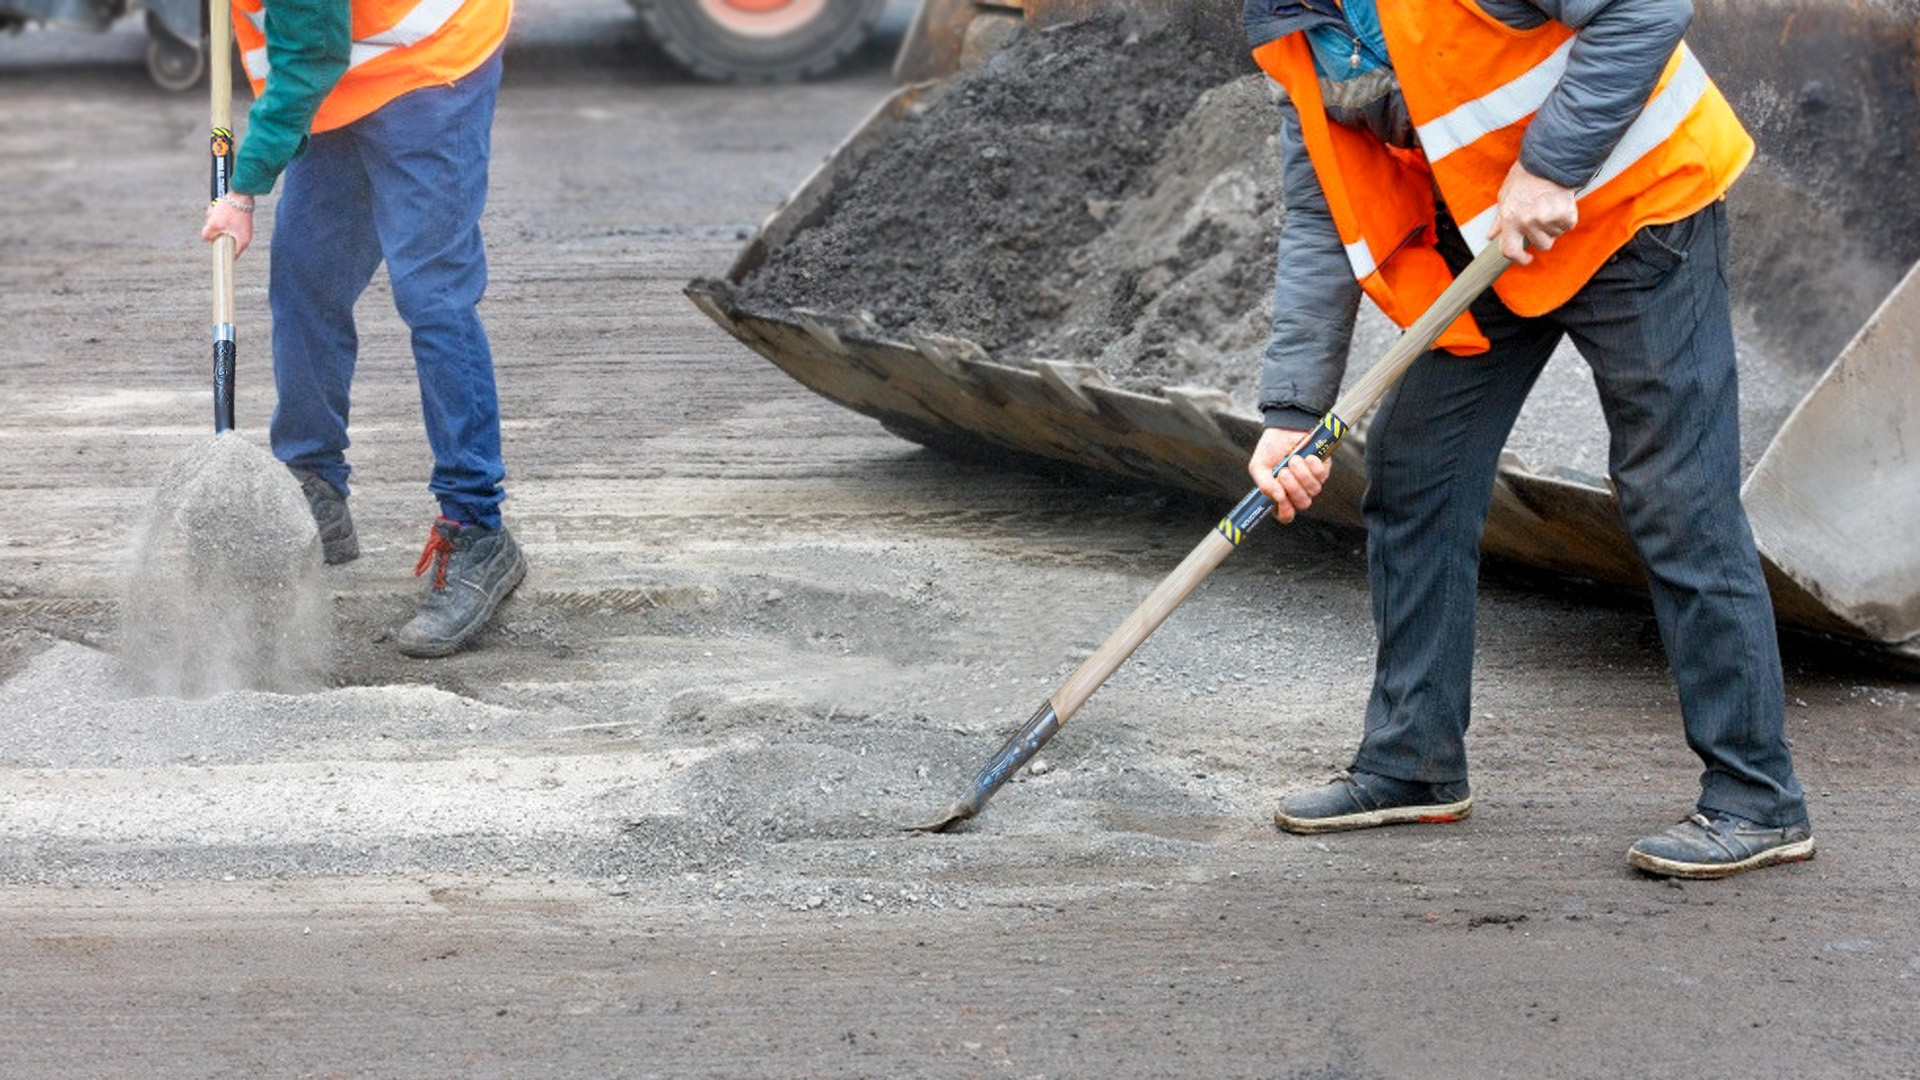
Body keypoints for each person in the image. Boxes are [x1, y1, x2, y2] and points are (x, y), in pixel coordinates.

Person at [1240, 0, 1813, 879]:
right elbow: (1323, 212)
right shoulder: (1288, 21)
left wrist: (1549, 165)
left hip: (1636, 209)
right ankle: (1412, 761)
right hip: (1496, 242)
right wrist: (1290, 414)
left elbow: (1646, 8)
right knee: (1416, 469)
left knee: (1675, 495)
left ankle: (1757, 797)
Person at [201, 0, 526, 658]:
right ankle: (314, 486)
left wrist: (244, 188)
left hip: (431, 60)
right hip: (341, 73)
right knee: (305, 278)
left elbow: (309, 52)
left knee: (433, 295)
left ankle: (477, 528)